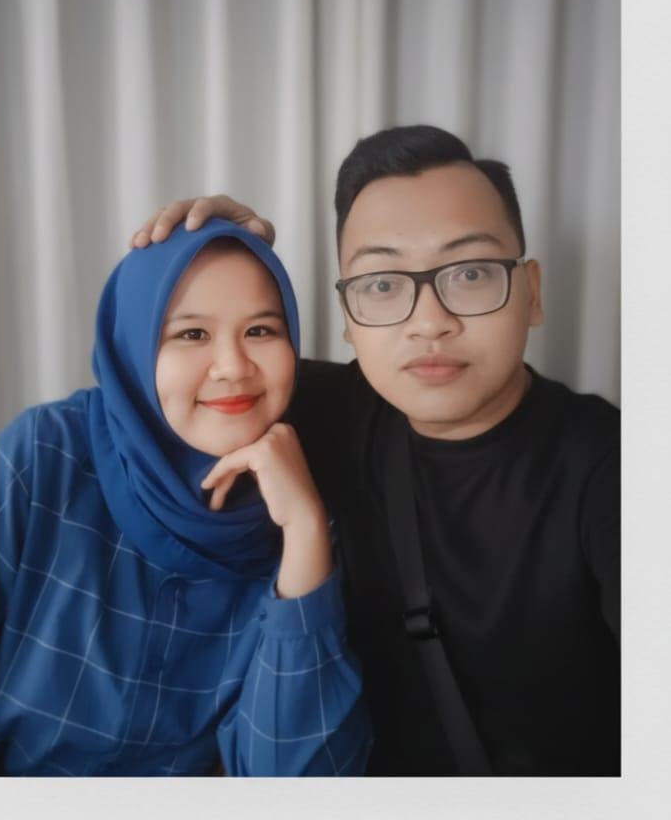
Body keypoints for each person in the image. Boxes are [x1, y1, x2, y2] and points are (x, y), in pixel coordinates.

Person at [131, 125, 620, 777]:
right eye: (382, 284)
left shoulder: (614, 471)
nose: (429, 321)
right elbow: (165, 391)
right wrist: (217, 255)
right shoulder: (313, 409)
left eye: (470, 273)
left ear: (531, 292)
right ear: (346, 315)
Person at [0, 219, 372, 776]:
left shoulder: (301, 505)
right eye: (192, 334)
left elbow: (294, 784)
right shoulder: (44, 457)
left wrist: (305, 530)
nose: (233, 367)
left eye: (261, 330)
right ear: (134, 346)